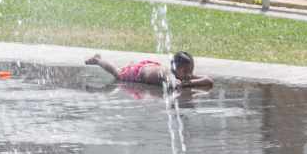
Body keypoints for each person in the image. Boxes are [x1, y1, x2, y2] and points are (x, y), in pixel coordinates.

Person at [85, 51, 214, 89]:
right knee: (118, 73)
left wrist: (190, 80)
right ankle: (98, 60)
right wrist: (189, 82)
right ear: (176, 68)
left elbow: (208, 80)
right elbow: (173, 85)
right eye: (186, 71)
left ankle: (99, 60)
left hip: (150, 66)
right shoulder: (169, 74)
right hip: (138, 73)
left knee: (121, 70)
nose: (189, 74)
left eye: (191, 70)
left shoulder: (184, 74)